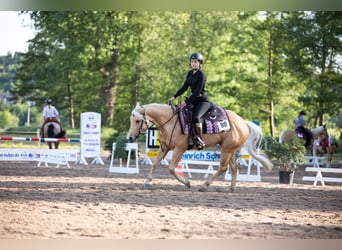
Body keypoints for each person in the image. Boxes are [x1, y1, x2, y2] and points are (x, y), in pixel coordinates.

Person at [168, 52, 210, 150]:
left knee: (196, 117)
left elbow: (196, 92)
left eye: (196, 62)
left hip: (202, 101)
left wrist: (186, 102)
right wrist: (174, 96)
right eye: (192, 62)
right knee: (181, 113)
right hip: (193, 100)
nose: (193, 63)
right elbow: (184, 87)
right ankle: (187, 137)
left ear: (200, 63)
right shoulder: (190, 73)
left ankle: (200, 140)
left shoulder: (202, 75)